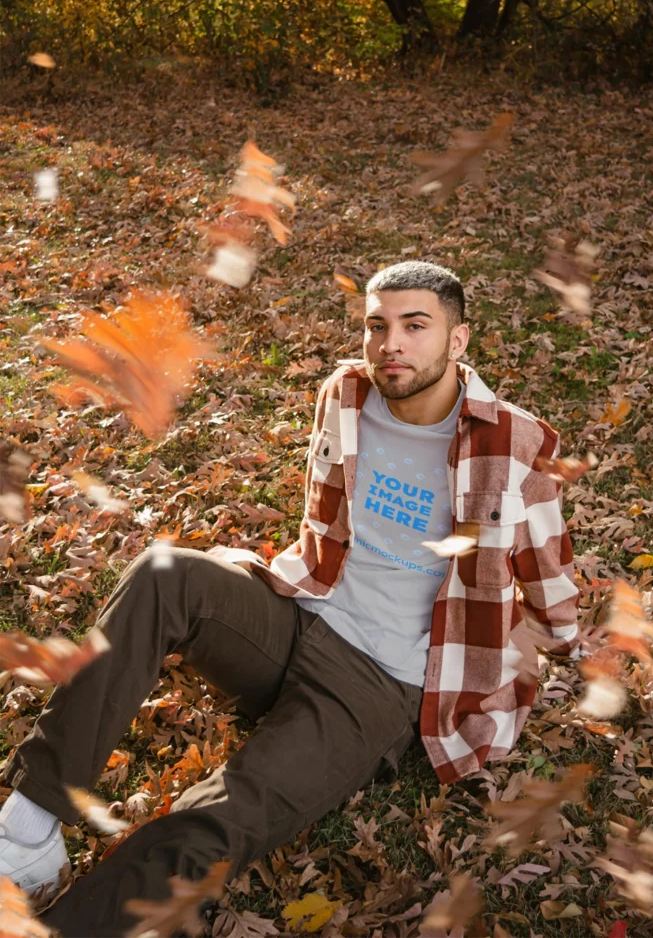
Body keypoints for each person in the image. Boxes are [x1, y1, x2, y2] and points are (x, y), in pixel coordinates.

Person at [0, 261, 579, 936]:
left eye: (414, 326)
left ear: (457, 342)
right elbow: (324, 526)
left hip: (377, 684)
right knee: (165, 571)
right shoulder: (346, 393)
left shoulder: (513, 445)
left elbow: (553, 602)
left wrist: (490, 680)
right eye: (376, 325)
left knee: (219, 814)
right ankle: (28, 830)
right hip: (300, 615)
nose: (390, 343)